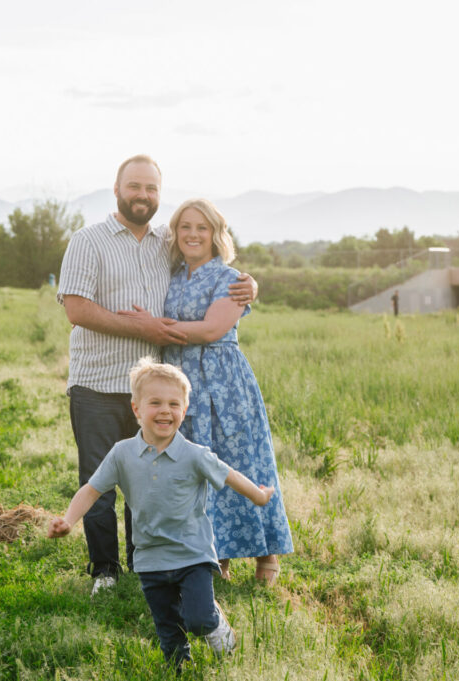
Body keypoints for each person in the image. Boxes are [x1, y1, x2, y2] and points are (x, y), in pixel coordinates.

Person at [57, 155, 256, 595]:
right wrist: (142, 327)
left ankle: (145, 561)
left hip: (151, 392)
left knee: (152, 482)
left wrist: (248, 287)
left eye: (150, 189)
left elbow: (206, 257)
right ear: (116, 189)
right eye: (134, 187)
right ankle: (106, 571)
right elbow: (77, 309)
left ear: (158, 195)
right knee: (100, 480)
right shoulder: (88, 241)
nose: (142, 196)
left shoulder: (166, 242)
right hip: (97, 382)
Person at [48, 358, 274, 670]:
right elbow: (92, 489)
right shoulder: (122, 453)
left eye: (174, 403)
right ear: (136, 409)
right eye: (155, 403)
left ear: (184, 409)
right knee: (168, 626)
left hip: (192, 553)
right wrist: (68, 520)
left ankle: (214, 622)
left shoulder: (193, 455)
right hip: (150, 555)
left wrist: (260, 496)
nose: (165, 410)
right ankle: (177, 669)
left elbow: (230, 474)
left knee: (197, 618)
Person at [121, 198, 293, 584]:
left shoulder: (231, 279)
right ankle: (218, 556)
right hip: (179, 385)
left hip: (224, 382)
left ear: (216, 234)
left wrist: (154, 326)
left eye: (202, 228)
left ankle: (268, 554)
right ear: (175, 234)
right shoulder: (173, 274)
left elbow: (212, 329)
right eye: (185, 227)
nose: (193, 234)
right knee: (199, 470)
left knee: (243, 461)